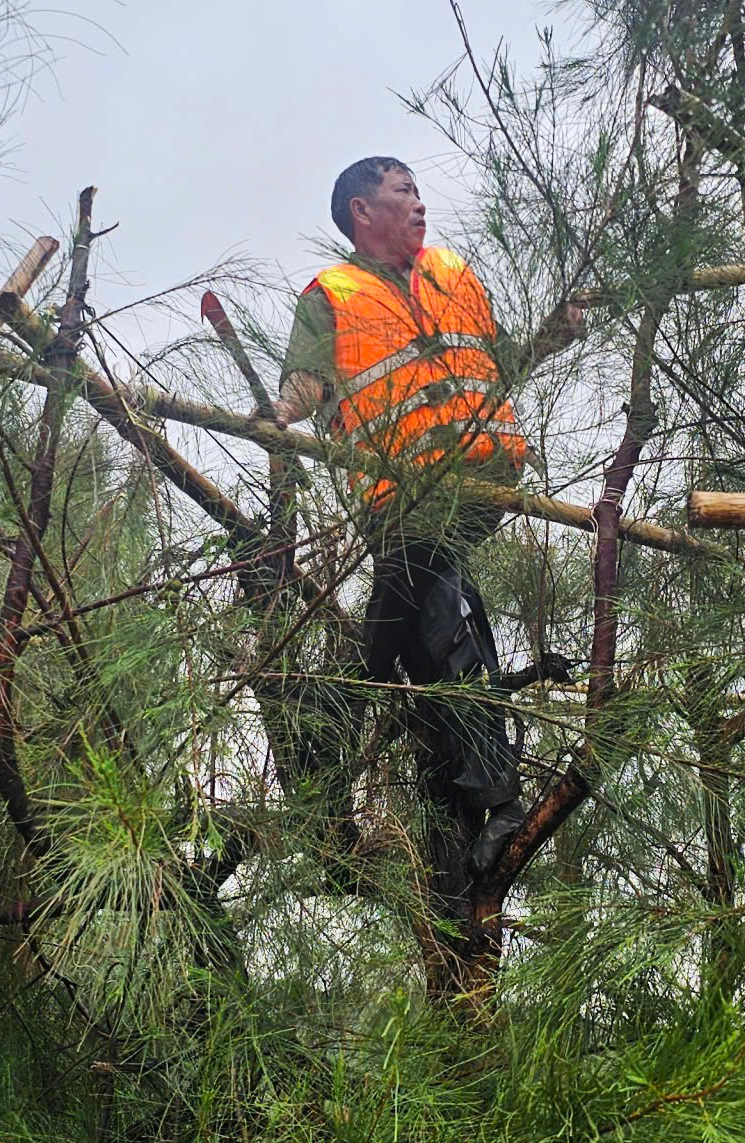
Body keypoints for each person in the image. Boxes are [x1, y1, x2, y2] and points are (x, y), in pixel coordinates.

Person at [268, 156, 581, 876]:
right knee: (432, 618)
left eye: (417, 193)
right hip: (402, 499)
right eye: (402, 194)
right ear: (360, 212)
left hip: (476, 478)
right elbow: (306, 383)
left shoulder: (451, 272)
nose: (418, 205)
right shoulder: (333, 295)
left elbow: (490, 366)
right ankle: (483, 804)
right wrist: (278, 415)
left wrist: (549, 338)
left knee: (411, 625)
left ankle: (328, 791)